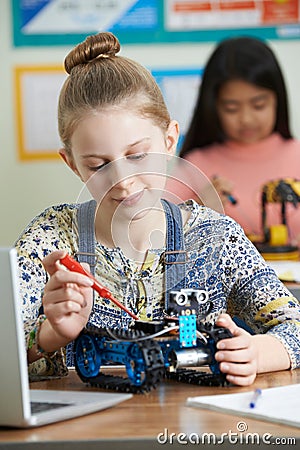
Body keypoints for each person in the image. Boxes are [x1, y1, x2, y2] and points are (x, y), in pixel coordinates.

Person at [15, 32, 300, 388]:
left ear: (169, 141)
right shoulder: (51, 238)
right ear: (71, 163)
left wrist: (259, 351)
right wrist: (50, 335)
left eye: (137, 156)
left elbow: (294, 325)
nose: (122, 181)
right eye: (97, 165)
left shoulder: (216, 238)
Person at [165, 36, 300, 245]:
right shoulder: (195, 166)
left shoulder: (297, 155)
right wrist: (200, 209)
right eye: (231, 108)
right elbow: (153, 234)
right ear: (213, 106)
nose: (246, 119)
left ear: (278, 99)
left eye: (259, 105)